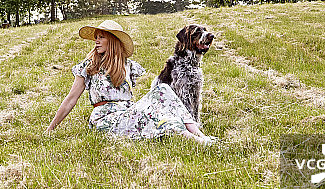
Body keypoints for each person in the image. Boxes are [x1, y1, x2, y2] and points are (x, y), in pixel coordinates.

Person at [45, 20, 217, 144]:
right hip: (106, 118)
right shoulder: (89, 67)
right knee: (160, 120)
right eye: (96, 37)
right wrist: (50, 129)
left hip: (129, 112)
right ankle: (199, 142)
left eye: (101, 37)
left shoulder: (128, 66)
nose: (96, 41)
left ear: (113, 41)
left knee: (164, 90)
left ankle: (200, 135)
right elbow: (71, 99)